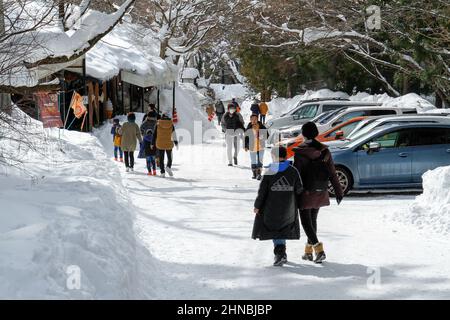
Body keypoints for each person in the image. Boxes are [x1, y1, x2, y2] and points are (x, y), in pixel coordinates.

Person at [293, 122, 344, 264]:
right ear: (316, 133)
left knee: (305, 222)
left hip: (306, 192)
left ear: (303, 134)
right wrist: (338, 192)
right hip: (321, 189)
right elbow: (333, 173)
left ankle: (318, 249)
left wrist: (293, 193)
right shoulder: (324, 150)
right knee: (313, 220)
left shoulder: (300, 152)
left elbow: (297, 175)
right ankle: (308, 253)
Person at [252, 146, 303, 266]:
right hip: (288, 208)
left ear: (274, 157)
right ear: (285, 157)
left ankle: (280, 254)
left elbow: (262, 191)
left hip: (271, 209)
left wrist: (257, 205)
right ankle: (281, 253)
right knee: (283, 229)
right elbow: (299, 189)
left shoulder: (270, 171)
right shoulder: (293, 170)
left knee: (275, 230)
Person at [153, 113, 178, 178]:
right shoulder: (171, 124)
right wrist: (176, 142)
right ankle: (168, 166)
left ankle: (162, 172)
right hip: (169, 143)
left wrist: (152, 143)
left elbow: (154, 134)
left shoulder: (158, 123)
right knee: (170, 156)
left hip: (160, 143)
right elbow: (174, 134)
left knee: (161, 158)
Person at [244, 114, 269, 180]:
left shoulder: (261, 126)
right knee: (253, 160)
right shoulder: (249, 127)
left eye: (255, 119)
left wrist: (262, 135)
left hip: (261, 146)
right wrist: (245, 146)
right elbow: (246, 137)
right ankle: (254, 173)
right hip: (252, 146)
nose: (254, 120)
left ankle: (259, 174)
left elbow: (267, 135)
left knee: (260, 160)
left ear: (257, 119)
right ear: (250, 120)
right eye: (252, 119)